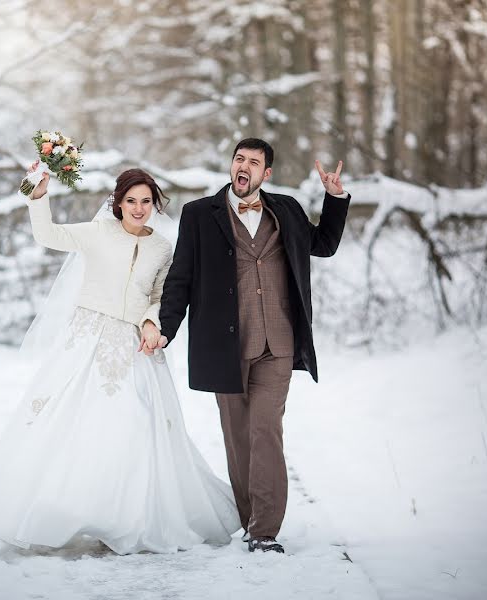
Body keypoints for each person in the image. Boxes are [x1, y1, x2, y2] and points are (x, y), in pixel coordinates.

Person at [0, 163, 239, 554]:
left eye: (146, 201)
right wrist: (37, 192)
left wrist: (149, 322)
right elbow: (47, 233)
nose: (139, 208)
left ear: (155, 204)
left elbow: (161, 294)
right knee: (75, 422)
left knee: (136, 424)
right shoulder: (97, 232)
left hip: (134, 346)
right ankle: (62, 512)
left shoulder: (161, 247)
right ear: (118, 203)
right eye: (130, 201)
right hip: (88, 338)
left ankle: (127, 519)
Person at [155, 138, 351, 553]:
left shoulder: (288, 209)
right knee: (237, 437)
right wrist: (165, 328)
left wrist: (336, 199)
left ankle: (264, 532)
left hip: (277, 343)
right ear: (231, 166)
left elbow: (324, 245)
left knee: (265, 431)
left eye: (254, 162)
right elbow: (181, 279)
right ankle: (248, 520)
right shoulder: (198, 215)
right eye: (239, 159)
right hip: (225, 346)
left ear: (267, 174)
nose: (243, 166)